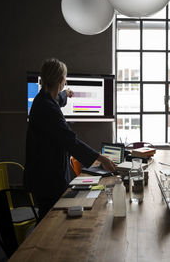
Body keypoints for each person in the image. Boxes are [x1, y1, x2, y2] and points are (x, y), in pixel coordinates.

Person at [24, 58, 116, 220]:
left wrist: (65, 94)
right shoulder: (47, 108)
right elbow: (70, 141)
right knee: (49, 220)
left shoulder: (44, 98)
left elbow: (58, 98)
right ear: (61, 80)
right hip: (47, 177)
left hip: (45, 172)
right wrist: (101, 158)